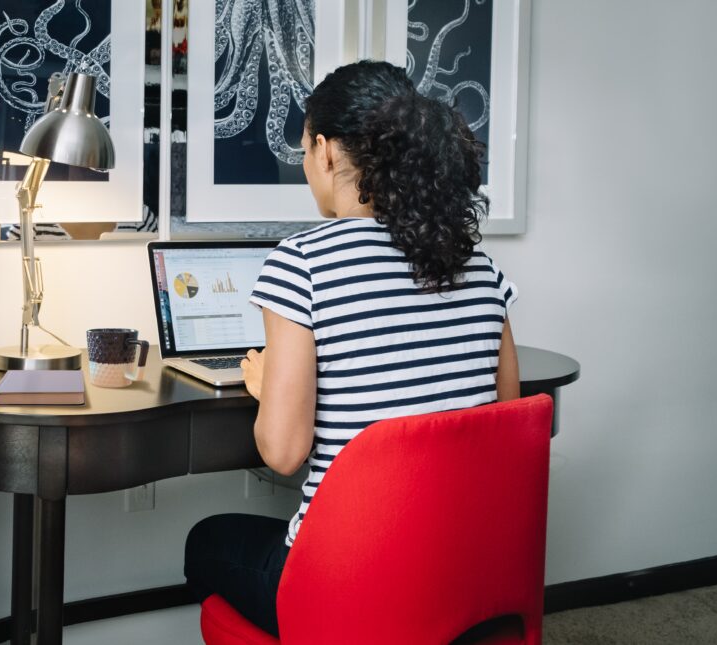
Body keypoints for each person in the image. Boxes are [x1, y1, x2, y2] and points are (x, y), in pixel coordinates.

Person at [183, 60, 520, 637]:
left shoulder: (302, 262)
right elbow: (502, 428)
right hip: (457, 576)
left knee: (206, 541)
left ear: (326, 151)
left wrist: (271, 393)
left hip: (343, 587)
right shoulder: (481, 267)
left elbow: (284, 453)